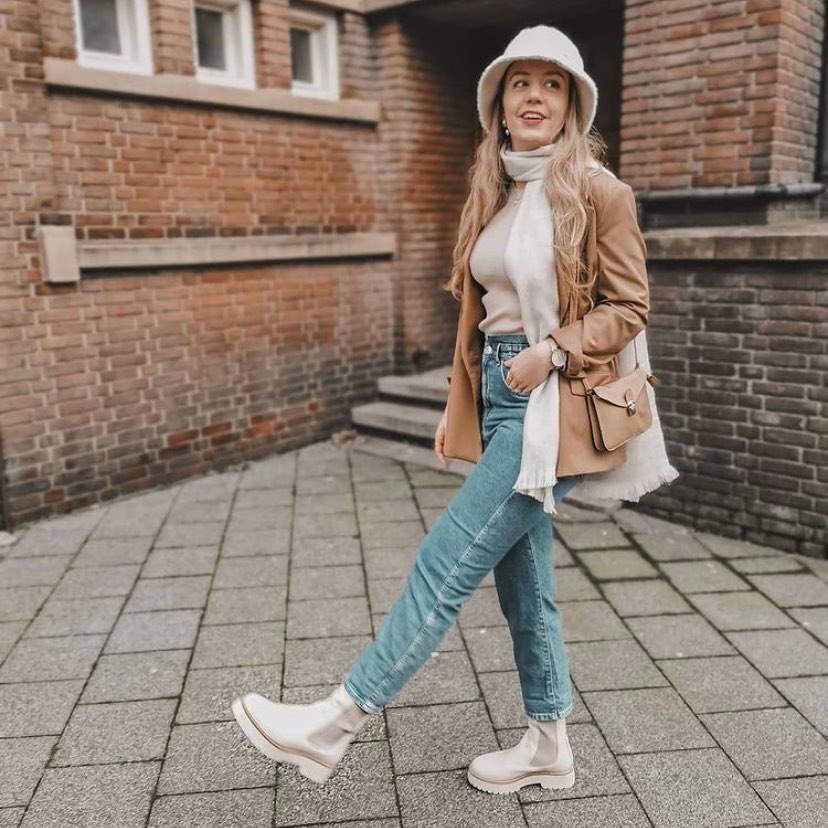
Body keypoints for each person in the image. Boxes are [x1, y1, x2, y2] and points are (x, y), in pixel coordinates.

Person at [232, 25, 677, 795]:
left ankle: (332, 725)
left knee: (447, 560)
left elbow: (630, 306)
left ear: (571, 105)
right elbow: (481, 318)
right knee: (522, 584)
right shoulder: (497, 191)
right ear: (499, 106)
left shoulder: (601, 191)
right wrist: (455, 404)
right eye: (519, 83)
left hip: (556, 405)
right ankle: (548, 745)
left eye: (552, 83)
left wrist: (558, 350)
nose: (534, 95)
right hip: (504, 398)